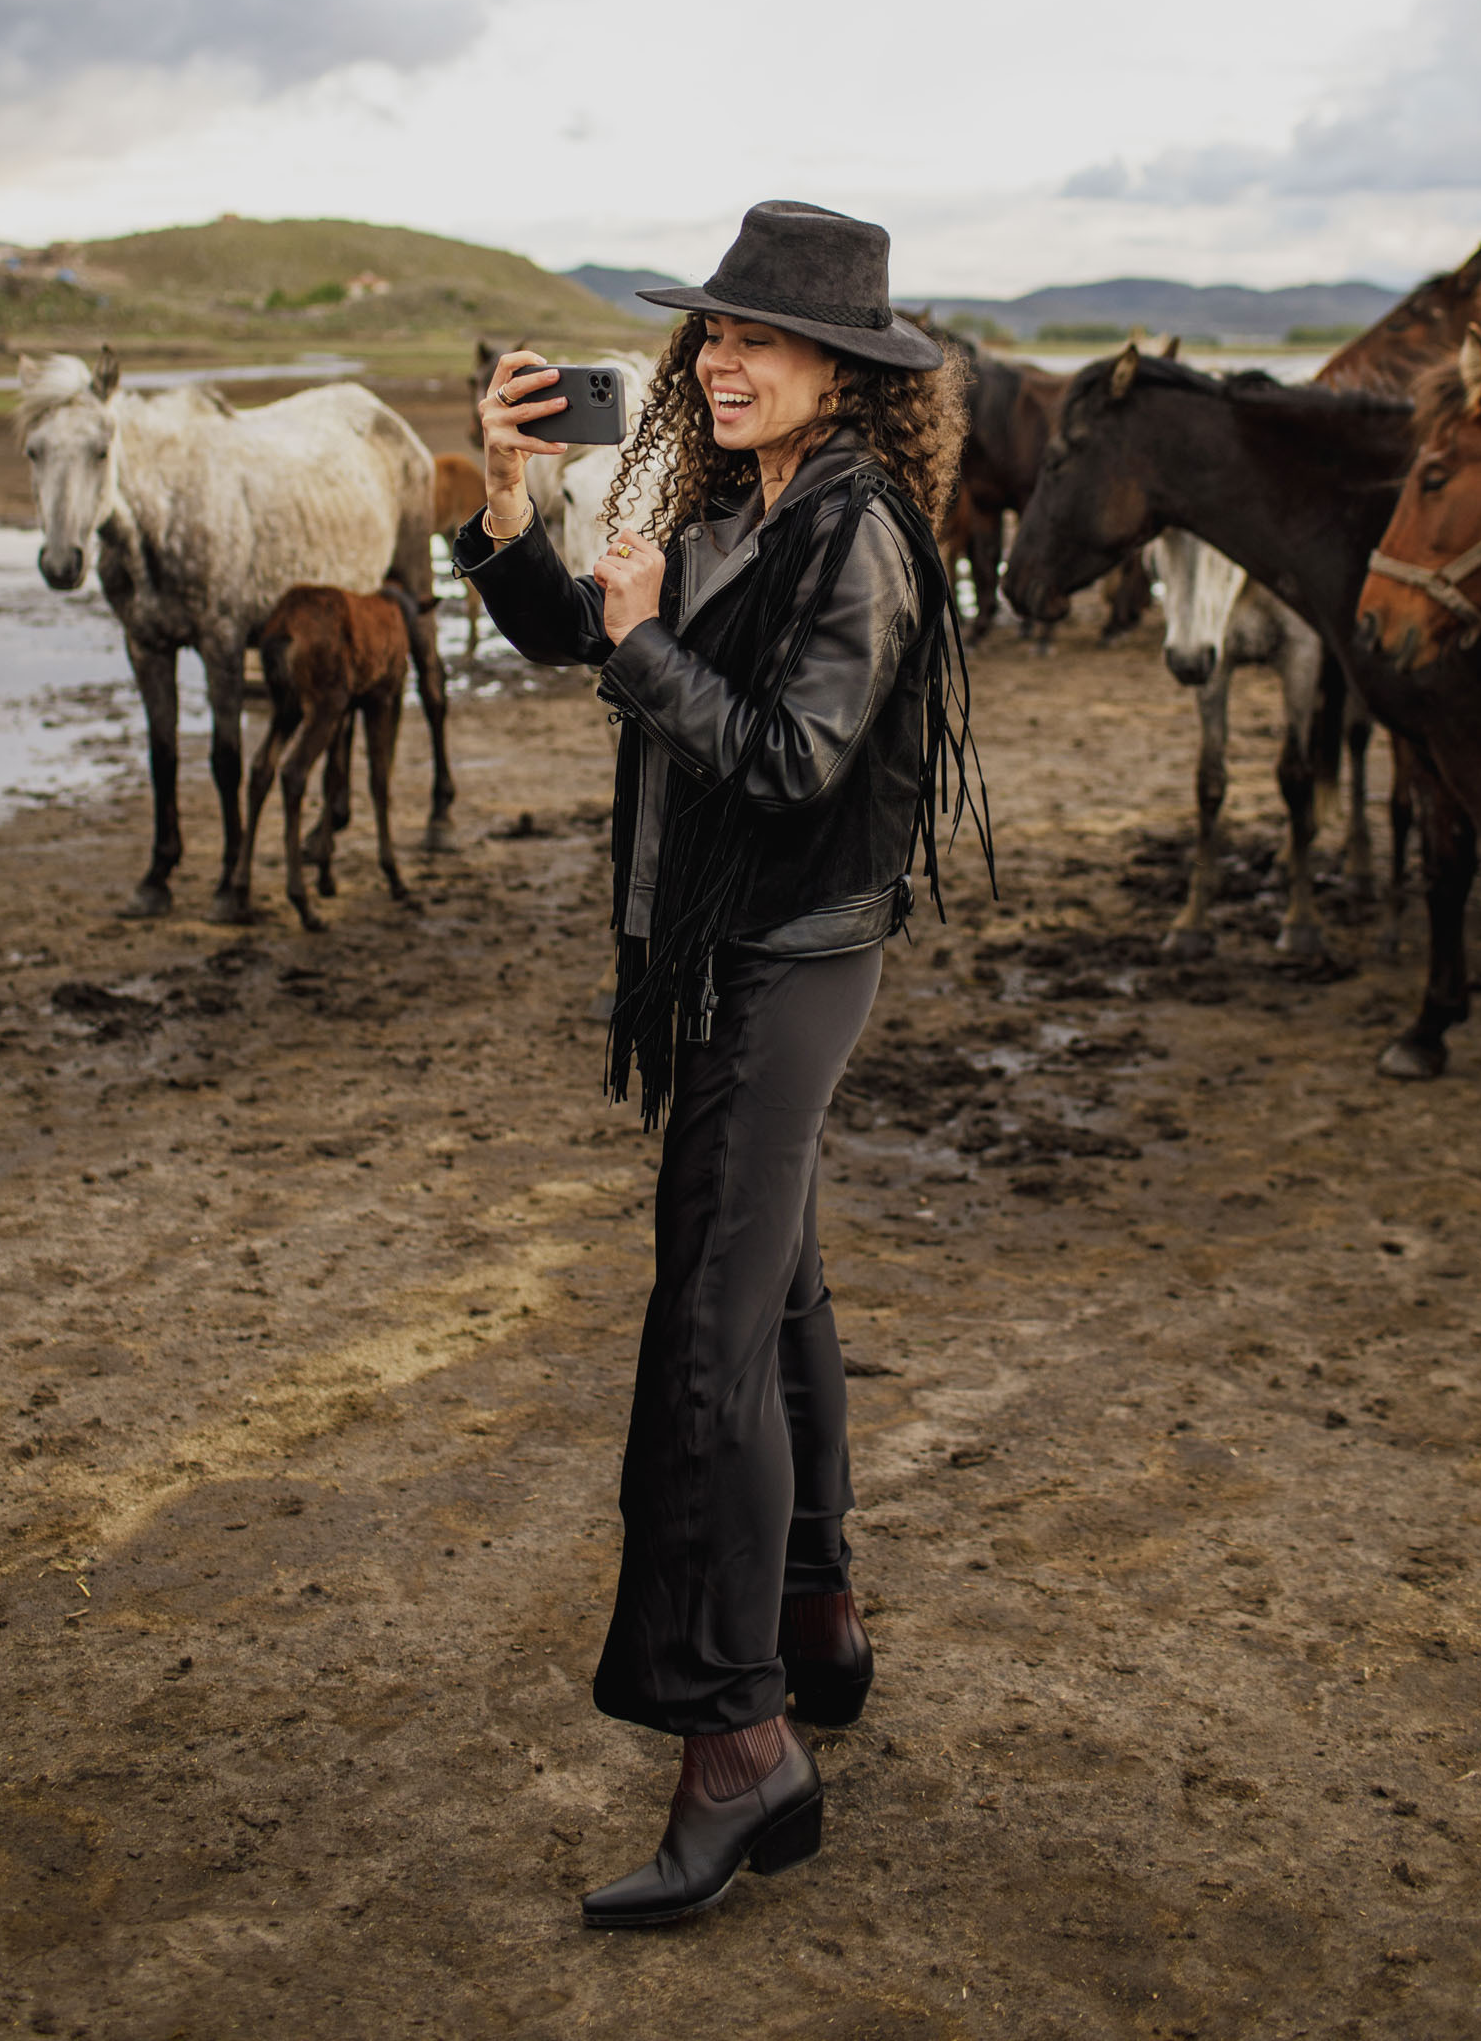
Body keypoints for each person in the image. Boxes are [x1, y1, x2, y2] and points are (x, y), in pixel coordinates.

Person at [455, 199, 988, 1929]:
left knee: (703, 1346)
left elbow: (791, 761)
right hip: (732, 957)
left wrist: (643, 645)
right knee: (781, 1303)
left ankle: (738, 1743)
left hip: (784, 961)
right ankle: (817, 1623)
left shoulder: (864, 532)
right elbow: (577, 641)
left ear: (846, 368)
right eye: (713, 336)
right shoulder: (748, 503)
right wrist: (513, 512)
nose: (727, 362)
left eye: (763, 339)